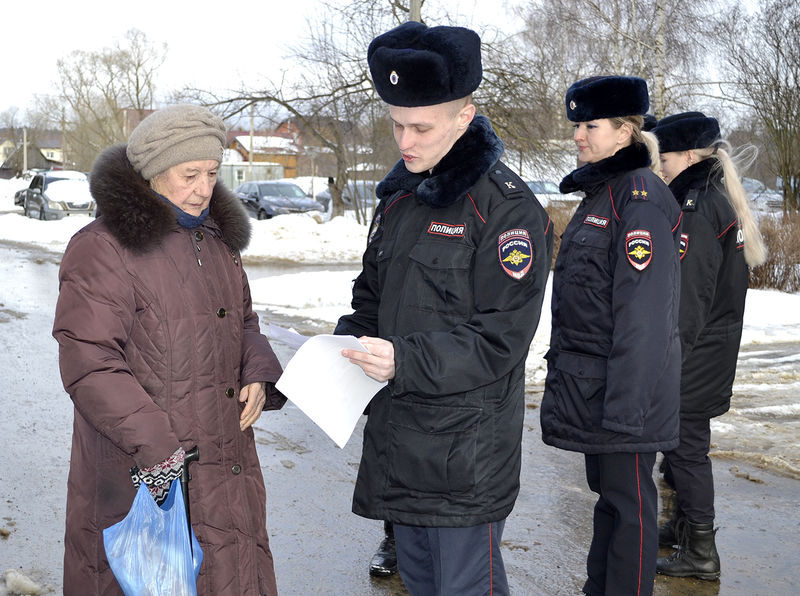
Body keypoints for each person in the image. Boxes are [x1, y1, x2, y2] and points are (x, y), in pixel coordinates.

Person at [334, 21, 554, 595]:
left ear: (464, 115)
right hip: (401, 443)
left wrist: (403, 360)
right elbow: (370, 301)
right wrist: (336, 352)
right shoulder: (401, 198)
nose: (404, 141)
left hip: (465, 454)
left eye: (420, 126)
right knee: (422, 583)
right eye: (396, 124)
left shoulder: (506, 211)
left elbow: (500, 339)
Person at [52, 104, 286, 595]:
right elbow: (89, 362)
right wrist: (160, 450)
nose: (204, 188)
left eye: (212, 173)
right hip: (143, 472)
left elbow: (243, 320)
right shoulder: (104, 247)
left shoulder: (218, 240)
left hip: (226, 465)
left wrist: (258, 372)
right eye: (190, 174)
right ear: (154, 173)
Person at [539, 76, 682, 596]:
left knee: (631, 510)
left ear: (625, 131)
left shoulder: (638, 199)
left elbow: (644, 317)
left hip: (627, 397)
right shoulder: (604, 193)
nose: (578, 134)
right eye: (577, 123)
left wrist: (626, 411)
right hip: (597, 390)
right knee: (612, 502)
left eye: (590, 125)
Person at [651, 112, 767, 580]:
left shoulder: (698, 206)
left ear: (689, 156)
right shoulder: (714, 197)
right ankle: (684, 527)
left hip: (695, 349)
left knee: (686, 448)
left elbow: (690, 295)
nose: (659, 165)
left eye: (665, 156)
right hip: (711, 344)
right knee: (684, 445)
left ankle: (701, 550)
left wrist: (666, 357)